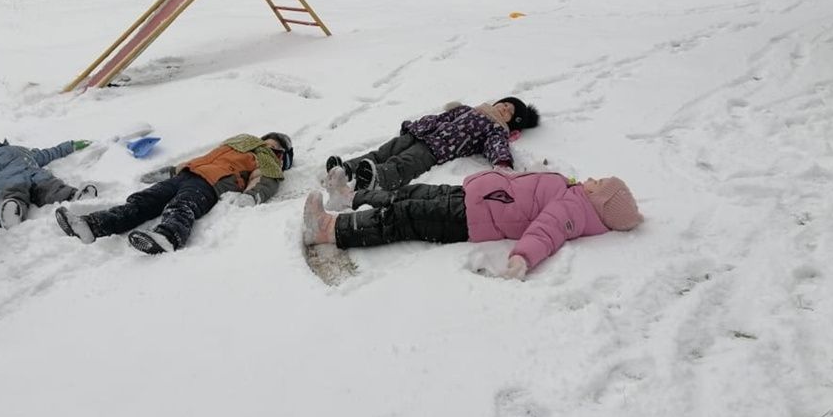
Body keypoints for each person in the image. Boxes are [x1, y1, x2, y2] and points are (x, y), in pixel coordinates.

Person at [304, 171, 641, 279]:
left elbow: (546, 231)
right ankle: (350, 197)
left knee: (404, 216)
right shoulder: (573, 192)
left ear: (600, 202)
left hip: (470, 219)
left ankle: (329, 229)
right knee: (409, 193)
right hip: (470, 196)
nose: (592, 179)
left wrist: (523, 257)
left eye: (599, 183)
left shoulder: (574, 209)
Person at [56, 132, 294, 255]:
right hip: (188, 173)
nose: (268, 145)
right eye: (267, 141)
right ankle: (93, 225)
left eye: (275, 146)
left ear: (281, 154)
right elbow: (202, 159)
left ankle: (168, 237)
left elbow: (266, 180)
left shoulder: (267, 160)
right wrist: (170, 171)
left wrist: (252, 196)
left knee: (182, 206)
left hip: (212, 184)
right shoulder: (237, 144)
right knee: (142, 201)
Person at [324, 97, 539, 192]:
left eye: (510, 112)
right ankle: (347, 168)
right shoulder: (471, 109)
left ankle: (378, 178)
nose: (505, 108)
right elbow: (442, 117)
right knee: (384, 151)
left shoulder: (496, 129)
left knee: (405, 162)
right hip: (421, 133)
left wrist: (502, 162)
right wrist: (418, 125)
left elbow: (496, 145)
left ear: (511, 122)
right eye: (505, 104)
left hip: (438, 148)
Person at [0, 138, 96, 229]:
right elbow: (49, 153)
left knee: (11, 192)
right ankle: (74, 196)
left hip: (8, 178)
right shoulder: (19, 149)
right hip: (33, 173)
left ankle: (11, 208)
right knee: (51, 187)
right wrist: (71, 145)